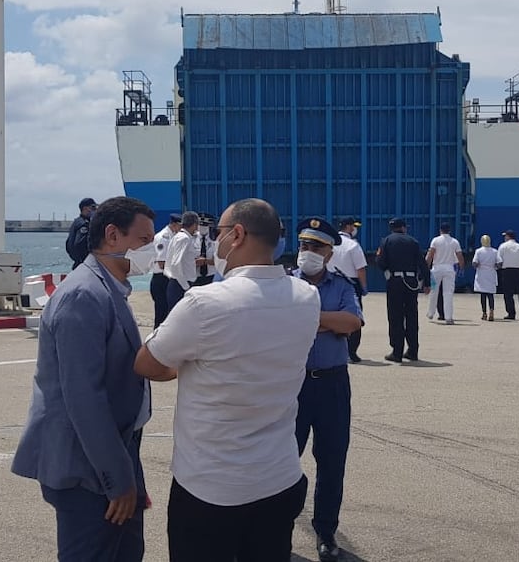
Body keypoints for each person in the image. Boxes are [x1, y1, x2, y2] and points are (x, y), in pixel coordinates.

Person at [135, 199, 318, 562]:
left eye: (217, 232)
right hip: (279, 478)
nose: (212, 240)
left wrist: (185, 367)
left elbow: (146, 364)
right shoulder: (306, 297)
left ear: (237, 234)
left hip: (211, 488)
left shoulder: (204, 303)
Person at [12, 196, 157, 562]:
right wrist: (118, 479)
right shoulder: (84, 295)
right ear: (112, 235)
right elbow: (84, 399)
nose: (151, 251)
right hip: (88, 470)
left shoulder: (109, 288)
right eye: (143, 241)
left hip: (114, 456)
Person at [292, 217, 363, 562]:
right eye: (304, 245)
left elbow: (351, 322)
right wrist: (327, 321)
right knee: (284, 459)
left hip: (333, 383)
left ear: (330, 252)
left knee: (332, 460)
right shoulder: (285, 284)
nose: (307, 252)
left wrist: (308, 318)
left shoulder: (342, 286)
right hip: (292, 384)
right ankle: (278, 525)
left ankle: (325, 531)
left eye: (316, 247)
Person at [376, 218, 430, 362]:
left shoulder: (386, 241)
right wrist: (427, 283)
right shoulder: (413, 242)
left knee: (395, 317)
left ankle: (397, 352)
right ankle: (413, 350)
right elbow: (422, 263)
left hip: (395, 281)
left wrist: (386, 269)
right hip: (411, 282)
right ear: (404, 228)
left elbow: (380, 261)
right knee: (412, 316)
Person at [331, 217, 368, 362]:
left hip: (331, 282)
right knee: (354, 318)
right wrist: (363, 286)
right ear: (348, 227)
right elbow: (361, 269)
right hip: (351, 284)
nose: (355, 229)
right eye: (354, 226)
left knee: (333, 316)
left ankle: (335, 350)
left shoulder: (331, 244)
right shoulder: (353, 245)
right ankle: (352, 352)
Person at [163, 211, 204, 311]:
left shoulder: (179, 236)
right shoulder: (184, 238)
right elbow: (176, 264)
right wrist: (186, 287)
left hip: (178, 283)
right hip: (180, 284)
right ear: (194, 225)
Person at [426, 222, 464, 325]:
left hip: (436, 269)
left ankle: (431, 312)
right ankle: (448, 317)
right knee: (448, 293)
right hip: (449, 269)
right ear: (449, 230)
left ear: (440, 230)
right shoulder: (455, 242)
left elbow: (430, 254)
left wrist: (426, 266)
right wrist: (461, 267)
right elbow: (459, 255)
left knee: (434, 290)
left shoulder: (436, 240)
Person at [149, 212, 183, 328]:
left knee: (169, 313)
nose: (181, 229)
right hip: (161, 279)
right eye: (180, 226)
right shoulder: (163, 238)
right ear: (174, 224)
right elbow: (161, 263)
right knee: (161, 314)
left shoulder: (173, 235)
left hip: (168, 277)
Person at [496, 230, 519, 320]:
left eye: (505, 236)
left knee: (508, 294)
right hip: (518, 271)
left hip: (507, 271)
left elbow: (499, 261)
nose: (504, 238)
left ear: (508, 237)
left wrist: (498, 269)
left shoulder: (503, 246)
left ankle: (511, 314)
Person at [472, 235, 500, 321]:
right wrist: (495, 267)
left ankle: (484, 313)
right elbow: (499, 263)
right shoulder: (495, 251)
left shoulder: (479, 251)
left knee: (483, 294)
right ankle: (491, 310)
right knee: (490, 294)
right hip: (491, 272)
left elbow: (474, 263)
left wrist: (477, 266)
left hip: (482, 273)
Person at [65, 197, 97, 269]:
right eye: (93, 208)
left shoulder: (77, 222)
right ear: (85, 209)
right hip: (84, 265)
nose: (95, 210)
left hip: (80, 264)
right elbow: (79, 244)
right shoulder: (83, 224)